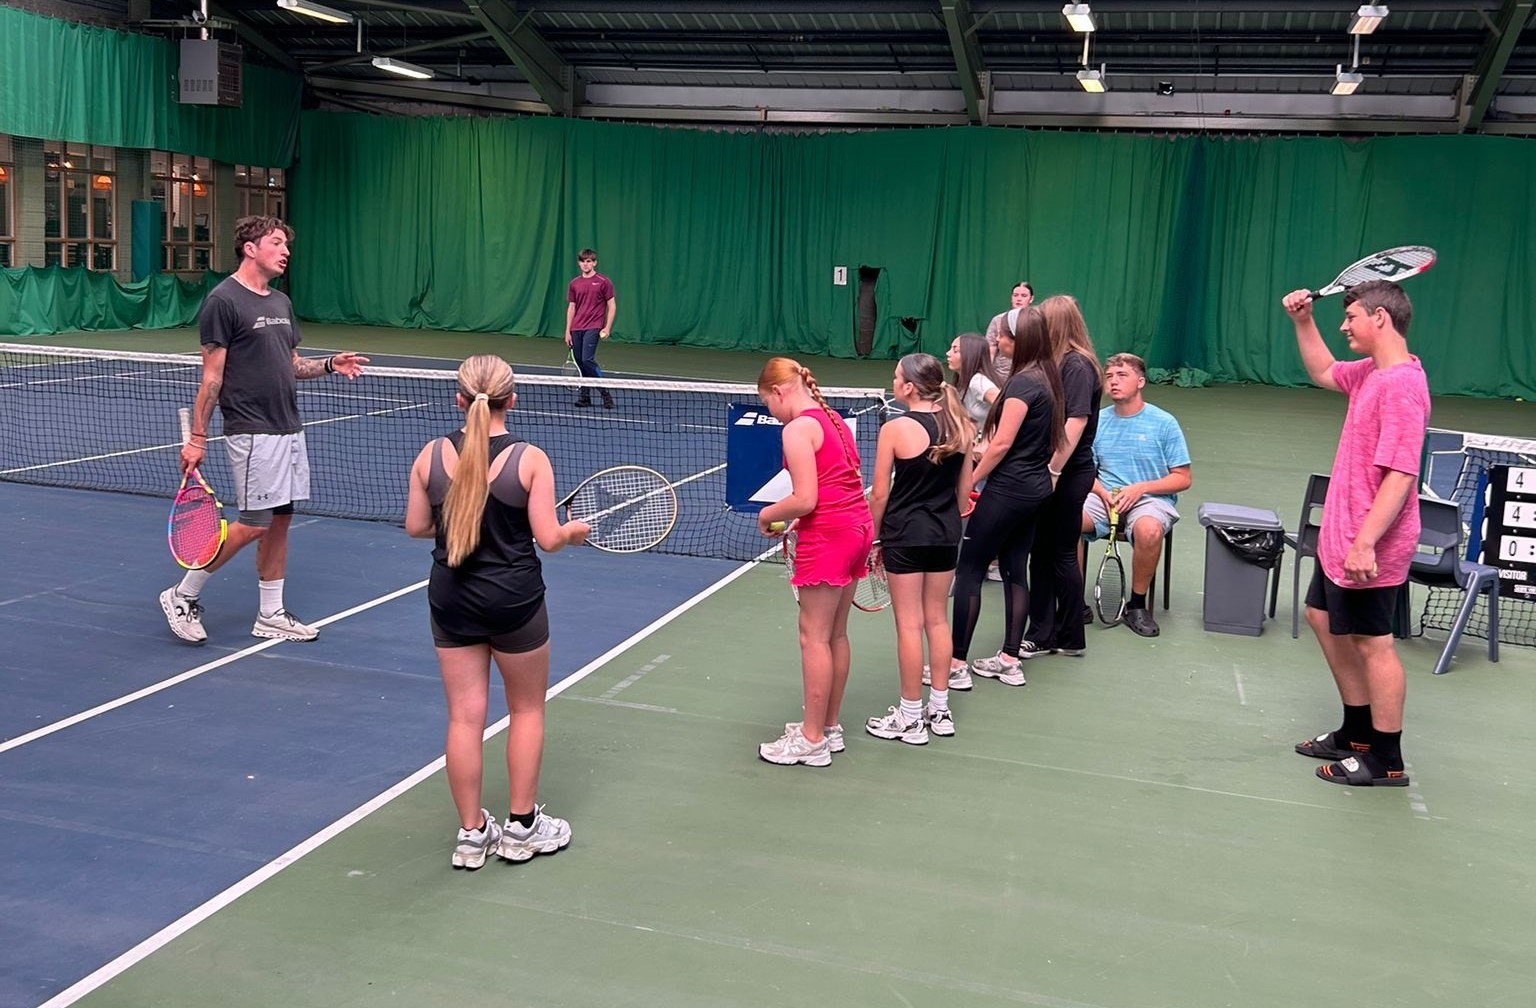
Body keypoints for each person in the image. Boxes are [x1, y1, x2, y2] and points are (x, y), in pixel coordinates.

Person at [404, 354, 590, 867]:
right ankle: (522, 827)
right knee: (526, 710)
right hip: (515, 602)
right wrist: (575, 532)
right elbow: (549, 539)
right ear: (513, 400)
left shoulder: (431, 455)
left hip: (451, 600)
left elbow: (417, 526)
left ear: (459, 399)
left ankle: (471, 835)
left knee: (464, 718)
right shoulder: (529, 460)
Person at [159, 215, 367, 645]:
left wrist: (330, 365)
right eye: (276, 242)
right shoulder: (223, 301)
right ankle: (182, 594)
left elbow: (292, 366)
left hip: (288, 427)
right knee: (254, 522)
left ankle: (270, 613)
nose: (286, 250)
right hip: (251, 429)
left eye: (286, 244)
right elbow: (212, 377)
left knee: (280, 522)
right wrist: (198, 438)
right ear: (250, 248)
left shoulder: (280, 303)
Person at [1282, 280, 1429, 788]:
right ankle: (1357, 731)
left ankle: (1386, 760)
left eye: (1351, 318)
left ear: (1381, 319)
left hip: (1370, 544)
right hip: (1341, 535)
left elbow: (1402, 475)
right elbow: (1323, 370)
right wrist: (1304, 320)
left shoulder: (1403, 388)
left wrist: (1366, 541)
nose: (1343, 326)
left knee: (1374, 643)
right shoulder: (1371, 372)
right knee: (1320, 615)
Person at [755, 357, 874, 767]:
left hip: (830, 536)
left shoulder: (797, 429)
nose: (772, 413)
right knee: (835, 635)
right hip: (857, 530)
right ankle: (828, 726)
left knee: (814, 637)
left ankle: (811, 741)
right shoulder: (835, 421)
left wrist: (766, 514)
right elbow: (833, 484)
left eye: (768, 404)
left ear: (780, 391)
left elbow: (806, 499)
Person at [950, 306, 1064, 686]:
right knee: (1017, 570)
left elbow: (1000, 445)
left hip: (1008, 490)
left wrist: (968, 483)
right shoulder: (1049, 379)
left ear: (1020, 341)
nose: (996, 341)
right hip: (1035, 491)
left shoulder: (1021, 384)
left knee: (969, 568)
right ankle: (1009, 659)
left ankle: (954, 664)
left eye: (1003, 336)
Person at [865, 353, 973, 744]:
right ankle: (939, 711)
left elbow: (880, 495)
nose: (893, 381)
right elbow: (963, 499)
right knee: (937, 621)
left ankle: (910, 717)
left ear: (909, 387)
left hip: (905, 536)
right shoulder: (962, 427)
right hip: (946, 536)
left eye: (896, 377)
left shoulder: (895, 429)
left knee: (909, 625)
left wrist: (871, 539)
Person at [1080, 353, 1192, 639]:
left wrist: (1139, 488)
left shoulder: (1165, 423)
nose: (1114, 382)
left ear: (1140, 381)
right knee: (1067, 518)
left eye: (1122, 375)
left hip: (1149, 499)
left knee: (1149, 530)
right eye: (1109, 376)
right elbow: (1083, 472)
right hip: (1104, 496)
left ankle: (1137, 605)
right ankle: (1073, 602)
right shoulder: (1096, 422)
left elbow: (1182, 478)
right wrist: (1103, 492)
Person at [1023, 294, 1103, 658]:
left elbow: (1076, 421)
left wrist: (1053, 470)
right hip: (1064, 472)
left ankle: (1051, 634)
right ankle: (1057, 633)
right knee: (1049, 552)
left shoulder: (1076, 366)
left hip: (1068, 474)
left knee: (1053, 553)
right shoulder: (1062, 364)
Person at [566, 248, 616, 409]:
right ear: (579, 263)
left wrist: (607, 327)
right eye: (582, 261)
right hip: (576, 328)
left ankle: (605, 394)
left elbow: (612, 305)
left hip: (594, 326)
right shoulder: (574, 283)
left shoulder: (603, 282)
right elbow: (572, 307)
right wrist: (568, 330)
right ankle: (585, 397)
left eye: (589, 261)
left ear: (594, 263)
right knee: (580, 362)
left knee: (587, 360)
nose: (585, 264)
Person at [983, 281, 1033, 382]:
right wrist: (987, 375)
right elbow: (990, 349)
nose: (1019, 299)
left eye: (1024, 296)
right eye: (1015, 295)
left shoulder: (1036, 321)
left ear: (1031, 299)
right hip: (1001, 376)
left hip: (1028, 375)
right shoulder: (998, 320)